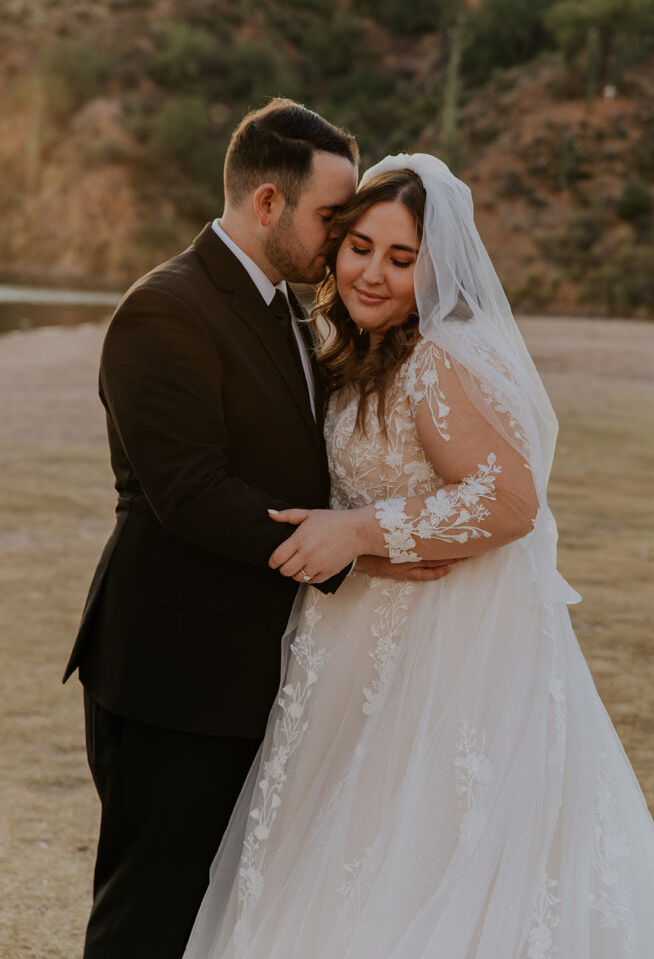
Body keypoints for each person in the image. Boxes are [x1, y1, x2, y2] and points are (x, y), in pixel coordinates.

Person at [183, 154, 654, 959]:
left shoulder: (436, 359)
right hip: (358, 638)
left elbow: (508, 499)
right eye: (358, 247)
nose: (371, 274)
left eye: (401, 258)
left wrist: (360, 532)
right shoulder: (355, 352)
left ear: (437, 268)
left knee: (422, 847)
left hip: (443, 647)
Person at [62, 102, 453, 959]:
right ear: (269, 204)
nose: (340, 237)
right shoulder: (165, 309)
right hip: (173, 671)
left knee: (219, 908)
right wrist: (351, 551)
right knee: (149, 910)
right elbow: (192, 493)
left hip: (252, 667)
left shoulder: (287, 305)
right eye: (330, 218)